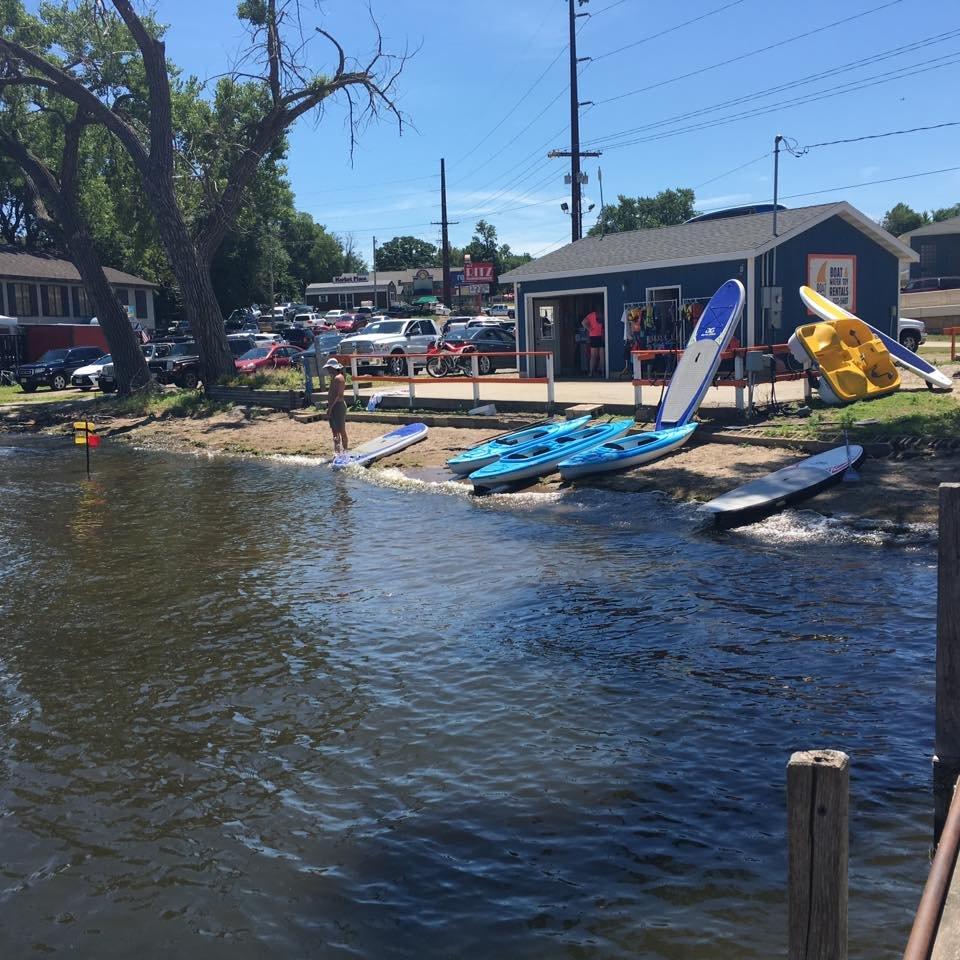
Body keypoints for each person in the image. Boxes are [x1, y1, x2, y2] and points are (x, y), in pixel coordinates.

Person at [324, 357, 348, 455]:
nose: (328, 370)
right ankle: (337, 453)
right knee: (334, 431)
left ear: (334, 368)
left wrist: (330, 408)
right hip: (333, 407)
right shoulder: (334, 378)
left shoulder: (339, 378)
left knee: (341, 430)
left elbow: (339, 395)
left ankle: (345, 452)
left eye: (329, 368)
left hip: (338, 406)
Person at [582, 307, 604, 377]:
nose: (599, 312)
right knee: (594, 355)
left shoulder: (604, 314)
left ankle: (602, 372)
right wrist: (589, 329)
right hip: (594, 336)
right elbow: (583, 322)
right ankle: (591, 372)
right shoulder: (591, 315)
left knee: (601, 355)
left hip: (602, 336)